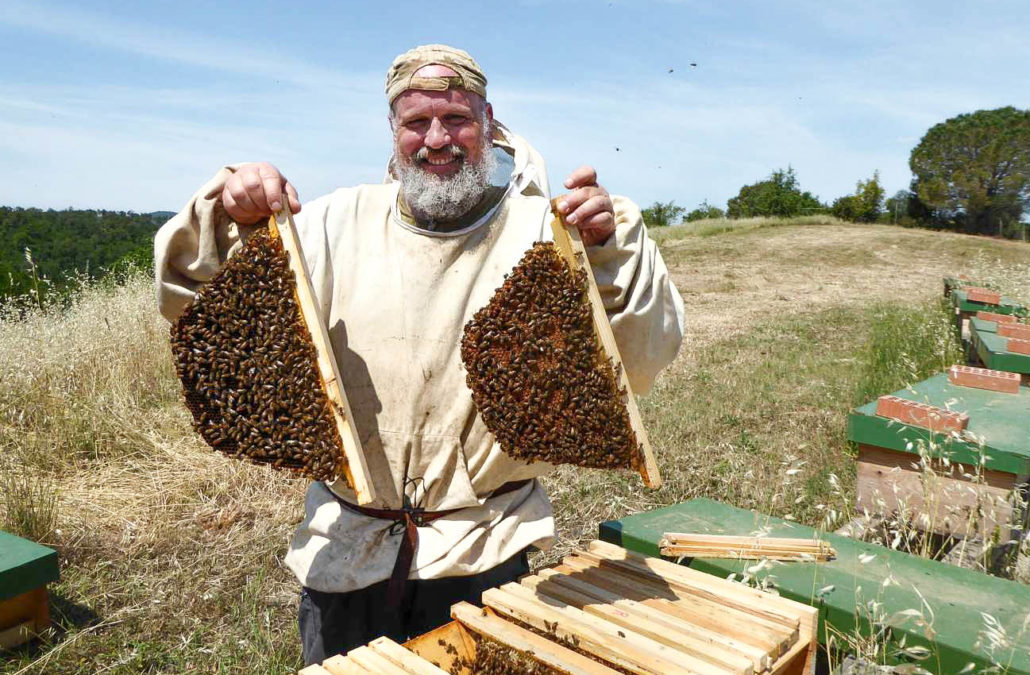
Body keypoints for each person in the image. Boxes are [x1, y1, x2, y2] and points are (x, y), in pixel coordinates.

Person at [154, 44, 684, 665]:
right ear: (393, 130)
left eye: (456, 118)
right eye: (415, 122)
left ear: (489, 122)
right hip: (346, 549)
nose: (437, 139)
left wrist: (608, 248)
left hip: (484, 547)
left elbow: (644, 357)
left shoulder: (550, 230)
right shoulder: (332, 222)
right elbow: (191, 302)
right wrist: (225, 207)